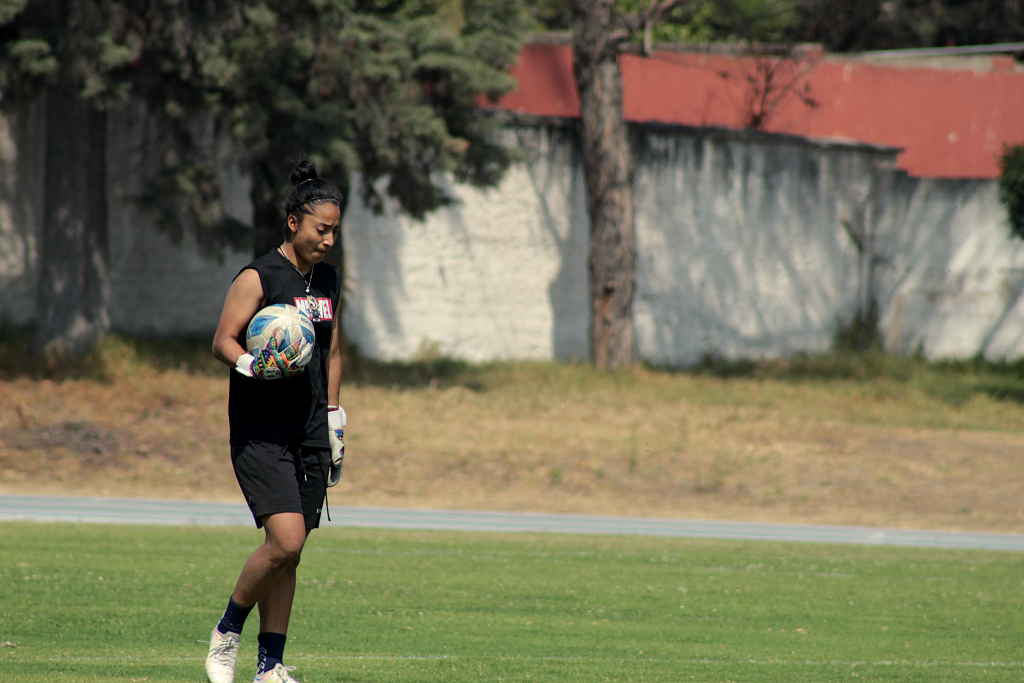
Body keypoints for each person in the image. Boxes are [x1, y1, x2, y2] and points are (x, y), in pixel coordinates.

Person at [205, 160, 347, 683]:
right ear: (293, 222)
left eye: (335, 230)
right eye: (321, 229)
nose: (329, 239)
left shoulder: (328, 280)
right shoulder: (258, 275)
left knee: (291, 555)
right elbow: (223, 339)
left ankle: (271, 667)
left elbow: (332, 354)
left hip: (309, 430)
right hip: (260, 431)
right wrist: (252, 364)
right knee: (284, 541)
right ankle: (226, 632)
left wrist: (334, 421)